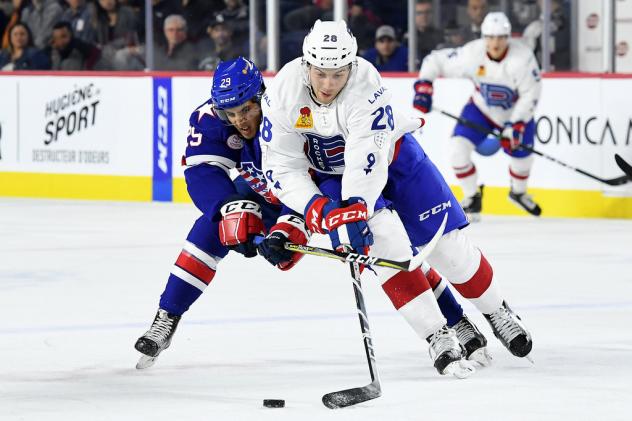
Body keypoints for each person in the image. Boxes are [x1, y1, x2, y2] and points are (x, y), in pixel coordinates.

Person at [134, 56, 490, 374]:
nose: (240, 120)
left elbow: (320, 180)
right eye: (231, 113)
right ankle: (166, 317)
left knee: (385, 254)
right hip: (263, 197)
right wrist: (227, 206)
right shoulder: (211, 121)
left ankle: (456, 320)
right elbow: (202, 171)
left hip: (312, 198)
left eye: (246, 108)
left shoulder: (288, 112)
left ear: (260, 96)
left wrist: (292, 229)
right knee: (206, 231)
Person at [259, 20, 533, 377]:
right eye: (321, 73)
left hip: (397, 160)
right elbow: (281, 165)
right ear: (307, 64)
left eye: (338, 74)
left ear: (352, 66)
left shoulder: (365, 84)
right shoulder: (282, 92)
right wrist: (318, 209)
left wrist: (356, 208)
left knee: (447, 248)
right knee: (388, 249)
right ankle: (437, 334)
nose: (328, 84)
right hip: (335, 177)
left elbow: (365, 159)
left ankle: (497, 310)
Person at [413, 12, 542, 219]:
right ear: (484, 37)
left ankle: (518, 192)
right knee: (457, 150)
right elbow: (434, 60)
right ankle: (472, 197)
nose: (495, 43)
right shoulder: (472, 54)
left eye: (500, 37)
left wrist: (516, 124)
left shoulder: (523, 58)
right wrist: (424, 87)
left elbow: (531, 93)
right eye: (490, 37)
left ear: (508, 37)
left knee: (523, 159)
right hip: (481, 110)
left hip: (515, 113)